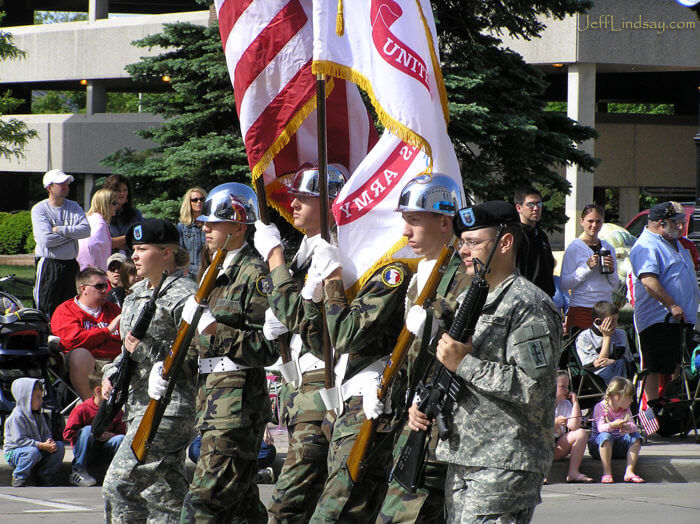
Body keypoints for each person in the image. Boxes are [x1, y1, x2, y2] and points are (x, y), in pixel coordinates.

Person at [425, 201, 561, 522]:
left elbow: (534, 387)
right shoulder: (474, 300)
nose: (463, 250)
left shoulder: (528, 304)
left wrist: (465, 364)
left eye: (473, 242)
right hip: (467, 456)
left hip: (505, 460)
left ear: (505, 243)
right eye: (462, 242)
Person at [172, 183, 278, 523]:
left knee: (202, 503)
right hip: (213, 402)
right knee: (243, 509)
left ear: (237, 226)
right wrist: (169, 368)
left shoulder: (254, 274)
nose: (204, 228)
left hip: (237, 407)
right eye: (203, 222)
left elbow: (268, 347)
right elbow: (201, 344)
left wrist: (215, 328)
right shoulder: (212, 271)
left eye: (213, 222)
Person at [307, 201, 412, 523]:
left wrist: (334, 282)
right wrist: (313, 300)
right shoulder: (358, 275)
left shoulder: (389, 274)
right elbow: (320, 345)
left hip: (369, 405)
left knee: (336, 513)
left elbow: (346, 337)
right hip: (343, 404)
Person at [253, 165, 346, 523]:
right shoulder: (306, 253)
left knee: (286, 506)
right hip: (300, 391)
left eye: (304, 198)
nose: (292, 204)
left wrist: (274, 256)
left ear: (330, 203)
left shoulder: (332, 251)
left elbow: (305, 318)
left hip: (322, 390)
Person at [377, 174, 466, 524]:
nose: (405, 231)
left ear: (445, 222)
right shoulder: (420, 275)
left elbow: (460, 354)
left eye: (414, 220)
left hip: (437, 425)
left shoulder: (463, 277)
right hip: (410, 420)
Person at [102, 218, 198, 523]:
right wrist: (111, 374)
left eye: (143, 249)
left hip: (169, 408)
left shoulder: (186, 296)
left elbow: (197, 354)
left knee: (119, 484)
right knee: (164, 498)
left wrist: (143, 352)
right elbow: (125, 351)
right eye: (134, 249)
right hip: (137, 407)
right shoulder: (137, 294)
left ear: (167, 252)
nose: (134, 255)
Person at [629, 201, 699, 402]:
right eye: (676, 222)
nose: (680, 227)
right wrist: (672, 304)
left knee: (678, 364)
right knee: (656, 366)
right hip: (659, 319)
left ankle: (675, 406)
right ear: (661, 223)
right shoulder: (646, 245)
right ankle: (652, 410)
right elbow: (649, 281)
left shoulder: (675, 242)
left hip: (680, 319)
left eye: (682, 222)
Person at [50, 268, 122, 400]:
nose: (105, 290)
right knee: (80, 354)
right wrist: (106, 331)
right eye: (99, 286)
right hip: (87, 363)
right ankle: (91, 407)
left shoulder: (113, 309)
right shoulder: (66, 310)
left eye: (106, 285)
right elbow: (72, 341)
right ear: (83, 289)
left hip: (116, 362)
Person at [31, 168, 90, 316]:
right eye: (60, 184)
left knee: (69, 306)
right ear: (49, 187)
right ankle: (45, 336)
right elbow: (46, 240)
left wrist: (60, 229)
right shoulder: (40, 210)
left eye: (66, 183)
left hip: (70, 264)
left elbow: (86, 231)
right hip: (49, 264)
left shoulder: (74, 206)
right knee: (46, 306)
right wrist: (72, 234)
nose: (65, 187)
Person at [560, 204, 619, 333]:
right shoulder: (574, 248)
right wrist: (586, 268)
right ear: (582, 222)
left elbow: (615, 286)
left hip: (605, 309)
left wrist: (612, 270)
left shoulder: (608, 248)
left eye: (598, 221)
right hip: (582, 308)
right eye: (590, 221)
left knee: (605, 350)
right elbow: (564, 284)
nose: (594, 225)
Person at [62, 371, 126, 487]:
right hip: (87, 451)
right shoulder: (82, 409)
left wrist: (110, 436)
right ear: (98, 390)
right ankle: (78, 470)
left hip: (104, 451)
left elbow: (122, 433)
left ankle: (115, 471)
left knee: (120, 438)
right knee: (87, 430)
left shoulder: (117, 412)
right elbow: (68, 434)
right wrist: (92, 435)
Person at [3, 378, 66, 487]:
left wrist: (49, 441)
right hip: (16, 452)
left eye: (41, 397)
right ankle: (19, 476)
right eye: (37, 397)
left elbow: (46, 432)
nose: (41, 401)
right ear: (25, 398)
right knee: (32, 452)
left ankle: (44, 474)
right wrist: (41, 445)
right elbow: (20, 441)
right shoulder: (17, 417)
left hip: (37, 448)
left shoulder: (39, 415)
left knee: (59, 446)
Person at [588, 376, 644, 484]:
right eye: (630, 397)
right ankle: (607, 472)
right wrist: (613, 425)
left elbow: (634, 426)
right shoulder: (600, 407)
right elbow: (601, 428)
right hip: (599, 448)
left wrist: (628, 427)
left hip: (618, 446)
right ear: (618, 397)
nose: (632, 401)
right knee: (606, 436)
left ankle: (629, 471)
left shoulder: (625, 409)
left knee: (636, 437)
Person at [187, 427, 278, 484]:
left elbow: (259, 403)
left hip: (242, 433)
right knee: (195, 450)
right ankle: (247, 475)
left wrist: (264, 428)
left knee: (268, 451)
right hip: (214, 432)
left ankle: (222, 474)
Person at [575, 301, 634, 384]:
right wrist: (607, 337)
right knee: (619, 365)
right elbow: (600, 363)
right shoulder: (584, 337)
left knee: (621, 363)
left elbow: (628, 358)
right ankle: (621, 393)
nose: (616, 325)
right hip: (598, 375)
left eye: (616, 320)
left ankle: (619, 392)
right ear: (598, 321)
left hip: (621, 369)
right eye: (612, 321)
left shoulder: (621, 334)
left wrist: (613, 362)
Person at [514, 187, 555, 297]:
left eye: (539, 204)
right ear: (519, 208)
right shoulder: (514, 236)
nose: (536, 208)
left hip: (545, 298)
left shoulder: (542, 236)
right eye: (531, 205)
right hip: (524, 299)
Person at [552, 370, 592, 483]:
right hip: (542, 447)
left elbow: (574, 426)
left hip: (557, 446)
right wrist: (555, 422)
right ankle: (541, 473)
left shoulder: (565, 404)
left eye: (568, 386)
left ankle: (573, 472)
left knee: (581, 433)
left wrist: (575, 403)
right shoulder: (543, 403)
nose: (567, 390)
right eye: (562, 387)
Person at [102, 174, 144, 254]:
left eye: (125, 190)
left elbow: (140, 238)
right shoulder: (102, 215)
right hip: (108, 260)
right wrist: (128, 238)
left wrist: (118, 242)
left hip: (131, 260)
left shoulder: (136, 214)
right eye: (118, 190)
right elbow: (104, 243)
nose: (122, 193)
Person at [77, 188, 118, 271]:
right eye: (114, 203)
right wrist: (99, 268)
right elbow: (92, 244)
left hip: (80, 268)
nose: (116, 206)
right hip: (92, 273)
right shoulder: (100, 224)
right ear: (105, 204)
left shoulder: (88, 219)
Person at [177, 186, 208, 278]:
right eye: (195, 200)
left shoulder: (211, 225)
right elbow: (180, 251)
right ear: (189, 203)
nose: (199, 202)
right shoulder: (182, 226)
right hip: (189, 273)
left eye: (202, 199)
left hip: (208, 270)